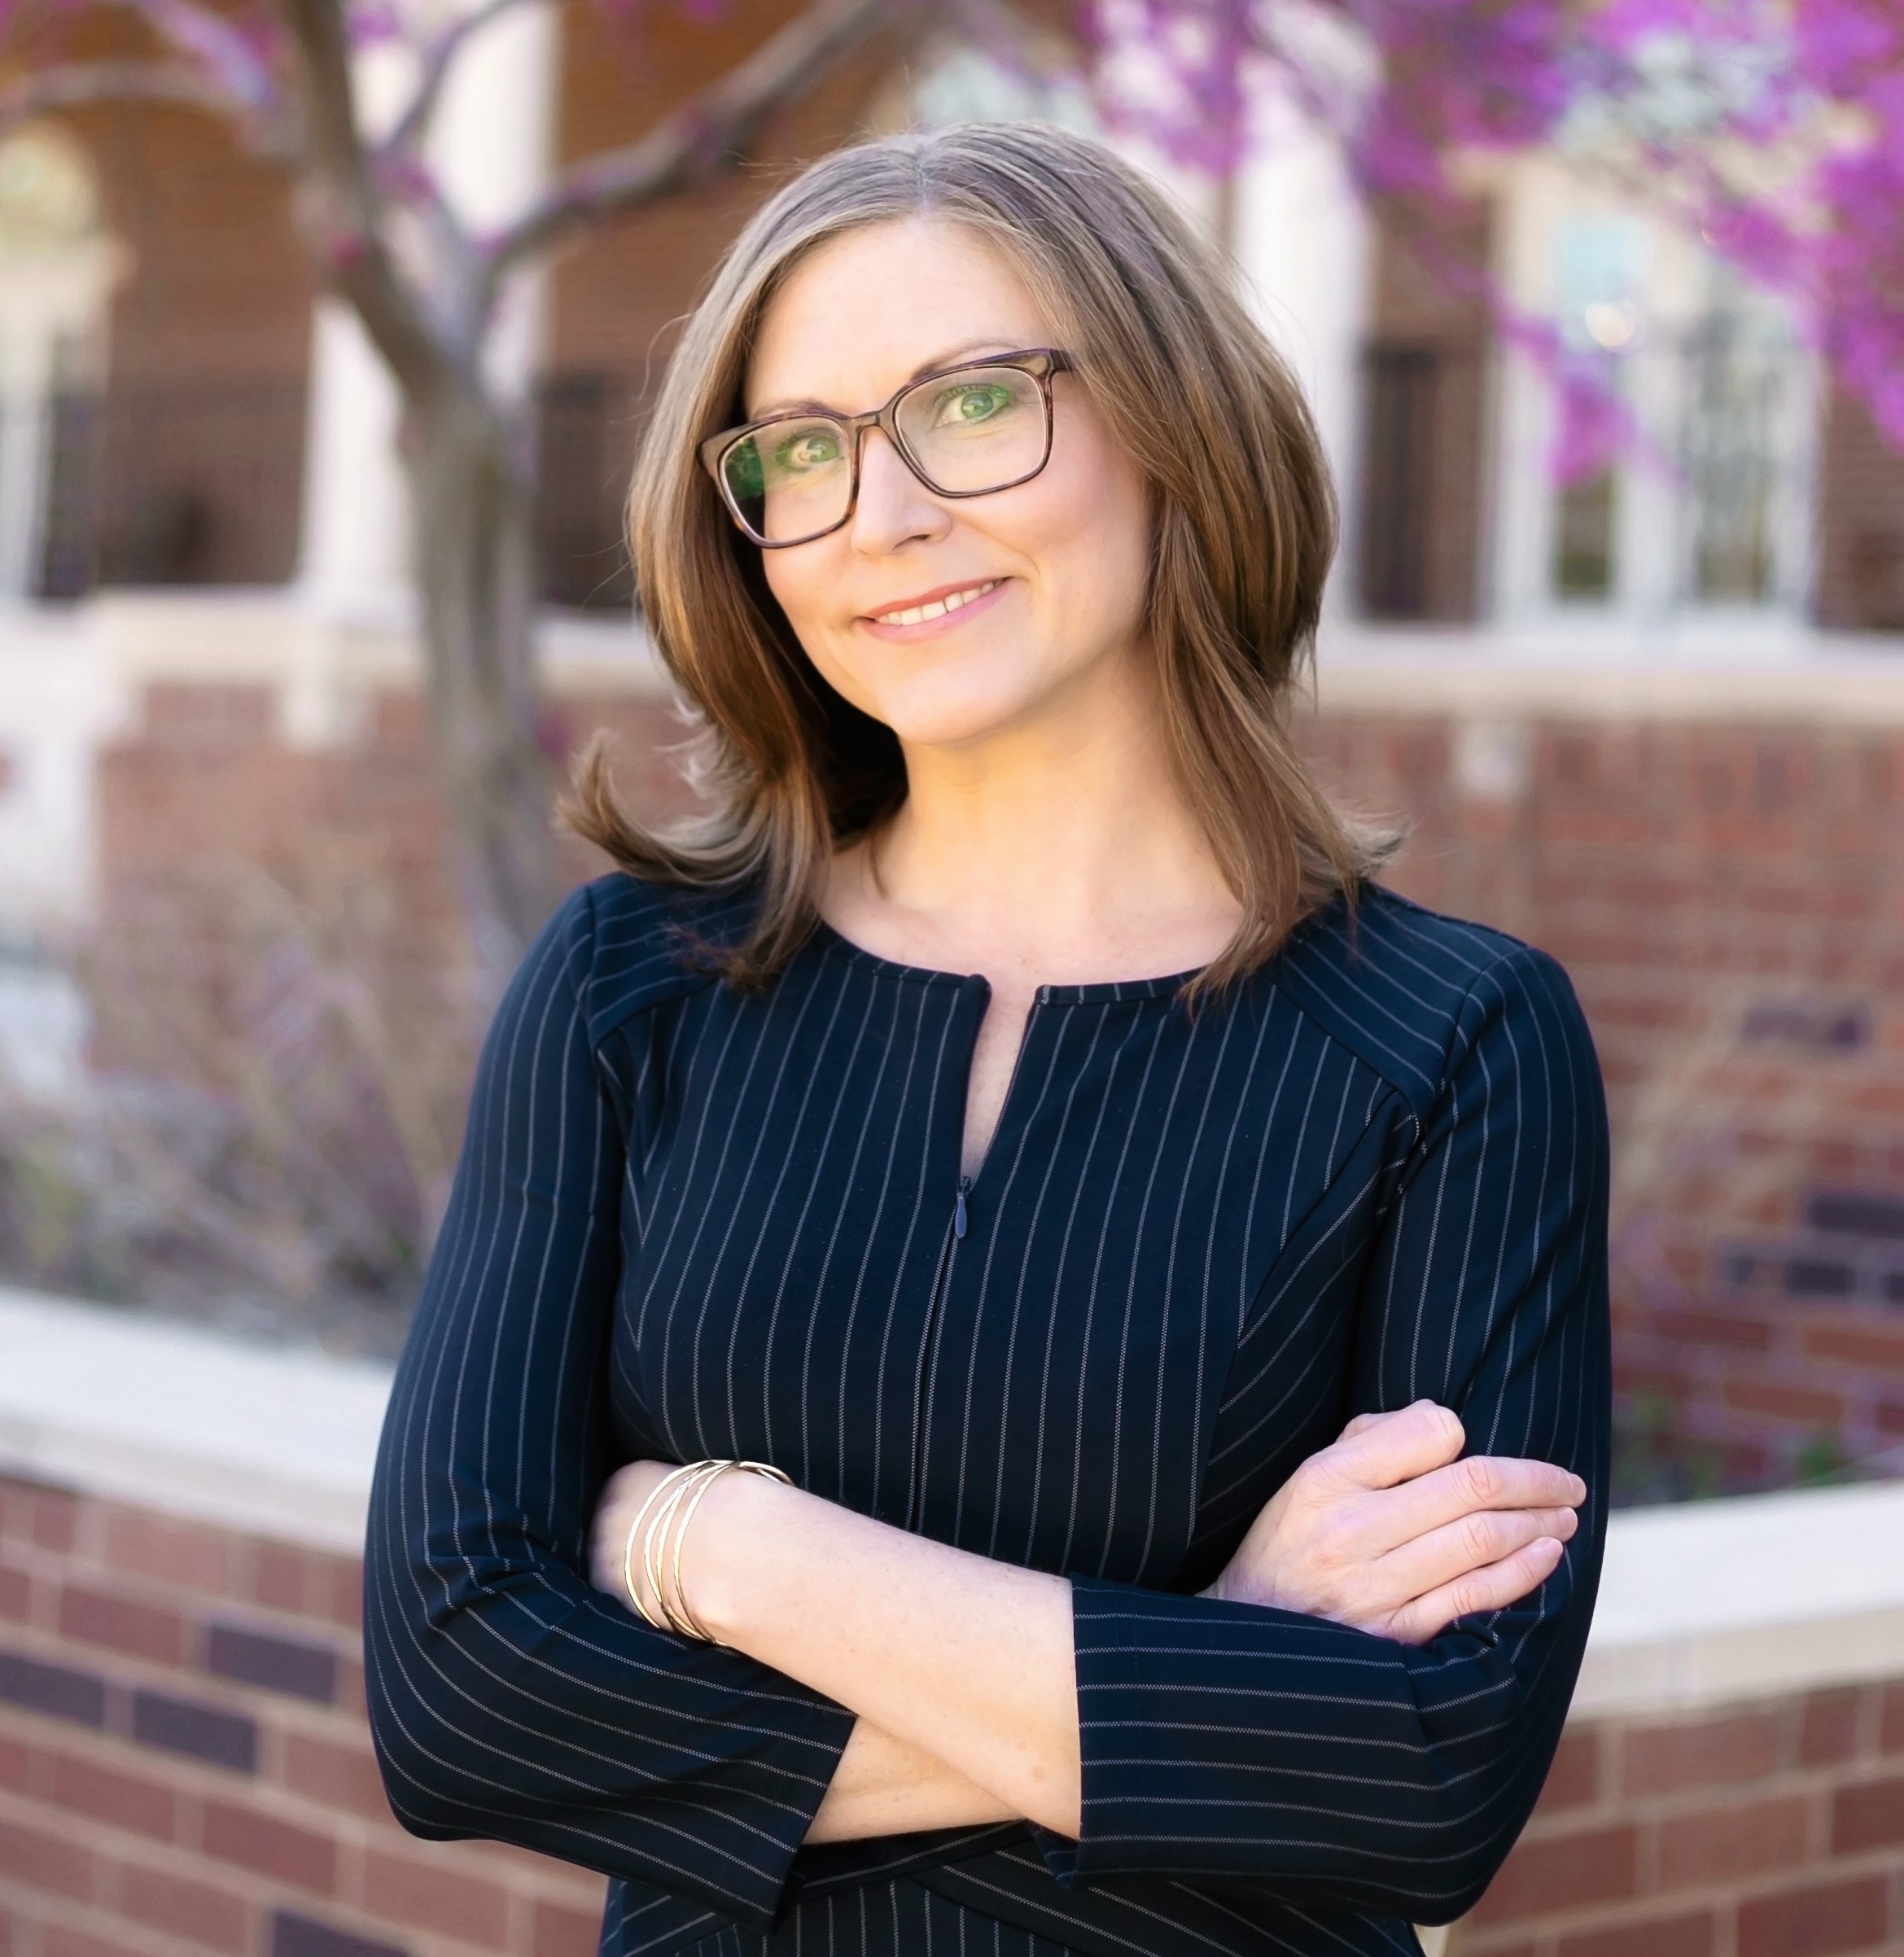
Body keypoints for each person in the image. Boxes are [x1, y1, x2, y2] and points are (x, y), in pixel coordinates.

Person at [364, 122, 1610, 1957]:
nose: (876, 514)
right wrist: (1226, 1646)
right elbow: (456, 1697)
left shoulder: (1449, 1041)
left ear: (1171, 425)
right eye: (798, 451)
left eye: (966, 405)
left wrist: (723, 1550)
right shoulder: (633, 982)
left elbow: (1426, 1777)